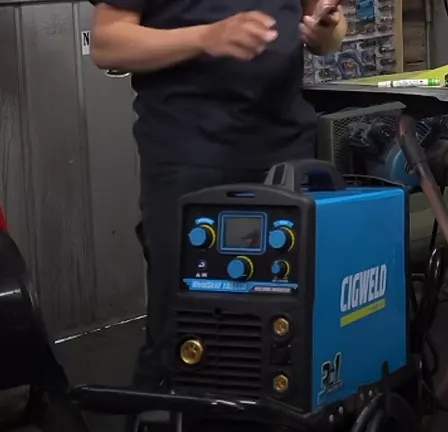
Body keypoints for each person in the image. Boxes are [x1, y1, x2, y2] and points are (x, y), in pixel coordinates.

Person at [89, 0, 346, 407]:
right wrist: (206, 37)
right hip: (191, 151)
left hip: (288, 148)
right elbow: (107, 44)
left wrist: (324, 29)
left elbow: (328, 28)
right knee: (184, 328)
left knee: (287, 329)